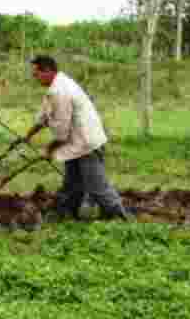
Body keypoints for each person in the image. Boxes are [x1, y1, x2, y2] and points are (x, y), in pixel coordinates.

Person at [23, 55, 131, 221]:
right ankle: (67, 214)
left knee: (97, 186)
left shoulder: (61, 91)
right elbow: (44, 115)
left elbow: (62, 130)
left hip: (86, 143)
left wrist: (49, 149)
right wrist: (28, 135)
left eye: (36, 74)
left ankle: (122, 217)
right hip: (76, 142)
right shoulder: (56, 86)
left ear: (47, 71)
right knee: (72, 183)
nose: (34, 78)